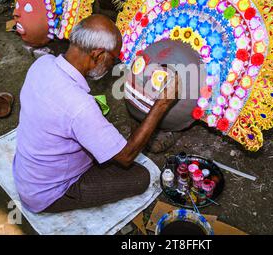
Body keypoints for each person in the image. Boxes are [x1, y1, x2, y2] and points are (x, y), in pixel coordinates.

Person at [13, 14, 178, 213]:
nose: (111, 66)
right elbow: (126, 157)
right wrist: (162, 104)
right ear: (98, 55)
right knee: (140, 177)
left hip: (28, 175)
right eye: (113, 59)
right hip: (48, 194)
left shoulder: (43, 63)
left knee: (98, 128)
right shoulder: (79, 106)